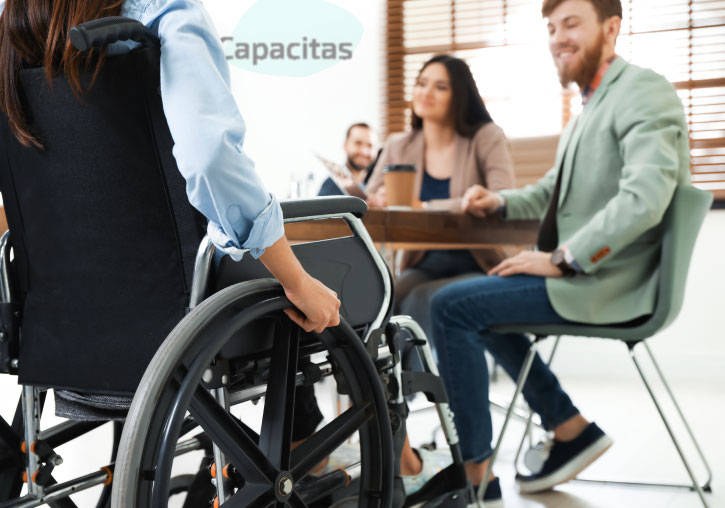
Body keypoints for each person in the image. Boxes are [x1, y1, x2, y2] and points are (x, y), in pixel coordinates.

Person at [0, 0, 338, 466]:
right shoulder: (164, 13)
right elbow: (209, 160)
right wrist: (297, 282)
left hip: (61, 330)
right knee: (326, 293)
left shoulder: (13, 27)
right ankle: (305, 459)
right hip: (178, 324)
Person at [429, 0, 691, 503]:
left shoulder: (643, 92)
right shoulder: (588, 112)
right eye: (550, 28)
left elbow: (646, 197)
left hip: (612, 280)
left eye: (572, 24)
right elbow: (550, 192)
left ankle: (474, 477)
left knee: (451, 306)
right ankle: (568, 427)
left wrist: (562, 258)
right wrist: (498, 201)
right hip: (588, 274)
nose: (557, 38)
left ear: (611, 28)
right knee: (476, 300)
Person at [364, 54, 517, 495]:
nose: (425, 93)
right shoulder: (398, 145)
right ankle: (394, 425)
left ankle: (411, 408)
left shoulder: (485, 138)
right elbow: (374, 199)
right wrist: (374, 199)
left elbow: (502, 197)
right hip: (423, 263)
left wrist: (426, 209)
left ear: (460, 94)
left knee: (422, 302)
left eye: (440, 86)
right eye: (421, 83)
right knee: (383, 302)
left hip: (479, 261)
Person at [318, 122, 377, 196]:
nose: (364, 151)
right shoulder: (332, 186)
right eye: (358, 143)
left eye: (370, 145)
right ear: (345, 145)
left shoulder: (378, 187)